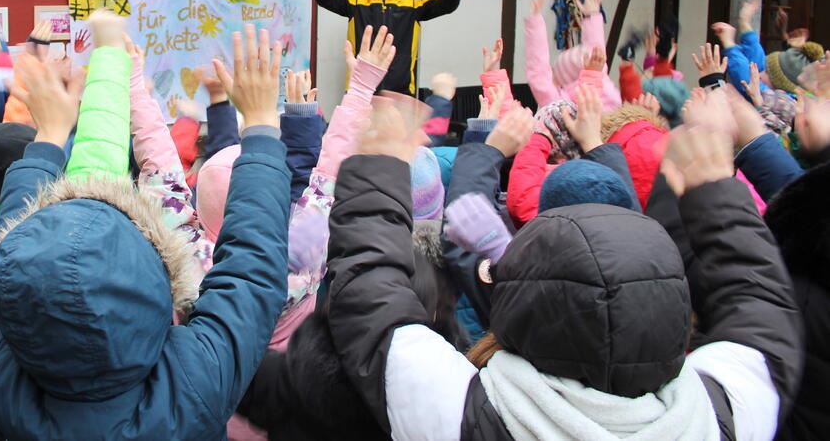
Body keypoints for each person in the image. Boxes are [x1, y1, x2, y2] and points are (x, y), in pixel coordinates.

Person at [325, 89, 802, 440]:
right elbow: (762, 308)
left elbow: (371, 294)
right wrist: (716, 190)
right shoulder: (726, 418)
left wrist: (380, 164)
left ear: (518, 297)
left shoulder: (465, 417)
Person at [0, 14, 295, 439]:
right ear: (156, 279)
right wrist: (259, 127)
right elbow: (251, 269)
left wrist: (49, 138)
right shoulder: (194, 384)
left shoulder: (8, 384)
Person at [310, 0, 477, 95]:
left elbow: (448, 4)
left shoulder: (413, 4)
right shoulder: (355, 1)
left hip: (401, 93)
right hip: (361, 92)